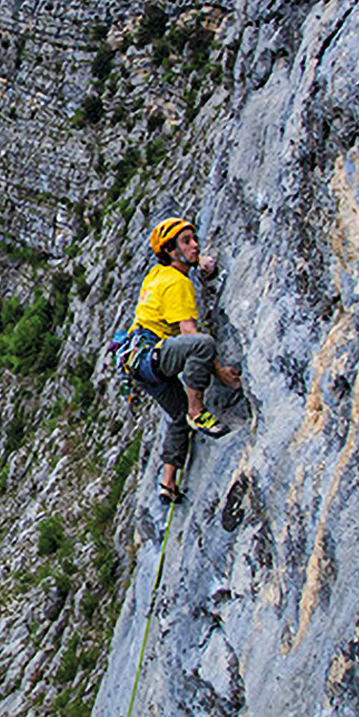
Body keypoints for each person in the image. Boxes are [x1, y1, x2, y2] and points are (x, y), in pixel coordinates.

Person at [125, 216, 242, 505]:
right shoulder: (177, 283)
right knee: (202, 344)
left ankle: (167, 484)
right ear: (171, 252)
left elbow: (178, 263)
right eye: (186, 242)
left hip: (136, 363)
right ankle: (197, 411)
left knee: (176, 418)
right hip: (152, 355)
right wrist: (221, 374)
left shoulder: (157, 274)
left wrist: (198, 261)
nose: (195, 244)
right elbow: (190, 336)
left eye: (194, 238)